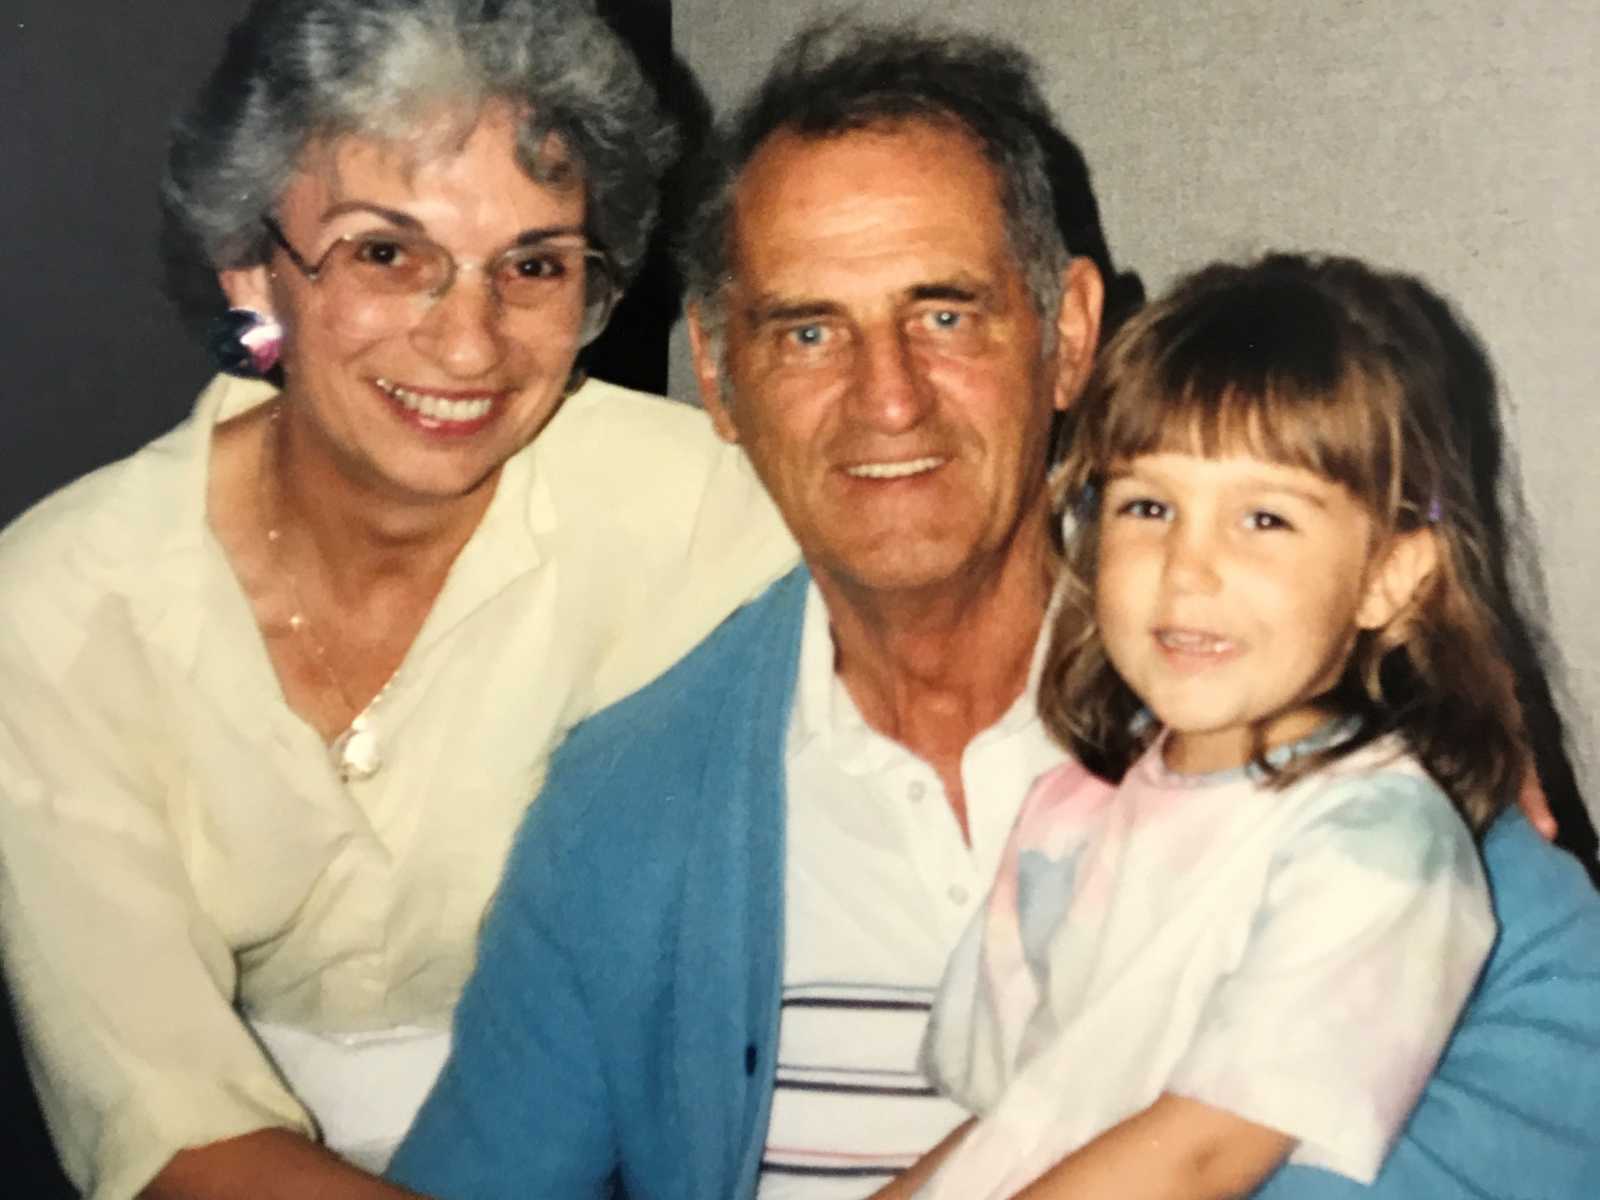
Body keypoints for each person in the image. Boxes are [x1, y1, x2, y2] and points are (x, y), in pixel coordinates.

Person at [388, 20, 1600, 1200]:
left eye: (945, 314)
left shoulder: (1311, 744)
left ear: (1068, 335)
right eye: (808, 330)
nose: (889, 398)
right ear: (718, 376)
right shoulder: (625, 809)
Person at [0, 1, 795, 1197]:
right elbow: (165, 1124)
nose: (470, 345)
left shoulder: (684, 503)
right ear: (254, 271)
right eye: (386, 253)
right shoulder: (55, 611)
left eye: (532, 266)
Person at [895, 254, 1524, 1200]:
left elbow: (1202, 1156)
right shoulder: (1064, 815)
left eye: (1264, 520)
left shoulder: (1380, 846)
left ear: (1390, 577)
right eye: (1149, 506)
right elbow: (1011, 1127)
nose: (1188, 569)